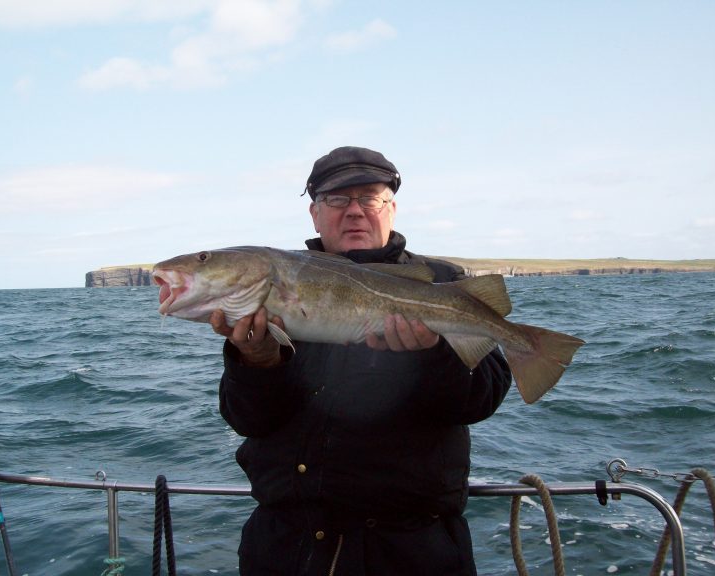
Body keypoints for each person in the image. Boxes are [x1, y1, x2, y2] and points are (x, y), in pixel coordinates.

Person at [210, 146, 512, 575]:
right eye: (337, 200)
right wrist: (257, 362)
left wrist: (433, 355)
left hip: (410, 551)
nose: (354, 212)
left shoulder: (445, 283)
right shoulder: (274, 292)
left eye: (369, 198)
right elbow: (249, 421)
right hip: (287, 547)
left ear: (391, 209)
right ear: (315, 214)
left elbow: (482, 399)